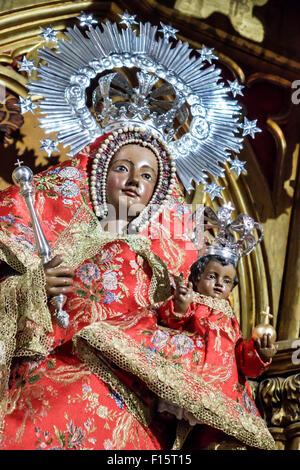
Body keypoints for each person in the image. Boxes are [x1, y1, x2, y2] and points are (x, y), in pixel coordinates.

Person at [0, 13, 274, 450]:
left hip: (136, 409)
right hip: (51, 383)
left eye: (146, 176)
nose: (132, 181)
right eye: (123, 168)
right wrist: (29, 287)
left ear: (158, 190)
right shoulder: (38, 221)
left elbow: (205, 335)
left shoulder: (177, 258)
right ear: (98, 172)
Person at [155, 253, 277, 449]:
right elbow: (170, 325)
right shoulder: (193, 301)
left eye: (227, 281)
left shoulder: (231, 317)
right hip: (191, 375)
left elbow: (240, 354)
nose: (219, 283)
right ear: (196, 278)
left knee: (213, 439)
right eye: (212, 276)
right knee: (170, 433)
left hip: (223, 388)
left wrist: (260, 354)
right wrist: (181, 305)